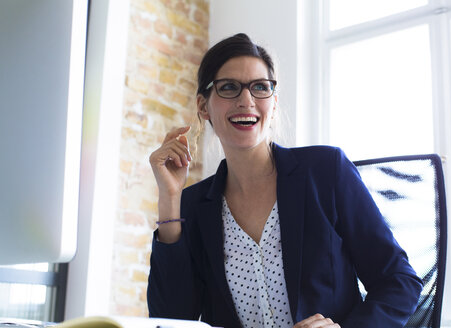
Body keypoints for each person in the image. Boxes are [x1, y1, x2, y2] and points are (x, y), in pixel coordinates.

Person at [147, 33, 422, 328]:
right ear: (203, 106)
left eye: (260, 88)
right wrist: (170, 199)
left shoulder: (326, 171)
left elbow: (398, 280)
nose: (246, 100)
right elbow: (171, 319)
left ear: (274, 103)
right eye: (228, 87)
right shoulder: (193, 205)